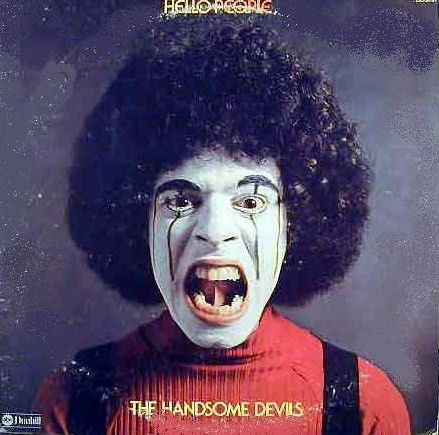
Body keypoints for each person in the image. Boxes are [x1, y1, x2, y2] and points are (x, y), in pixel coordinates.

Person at [34, 15, 411, 434]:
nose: (214, 230)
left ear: (293, 225)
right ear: (141, 223)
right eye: (181, 200)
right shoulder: (73, 400)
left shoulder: (365, 406)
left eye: (250, 201)